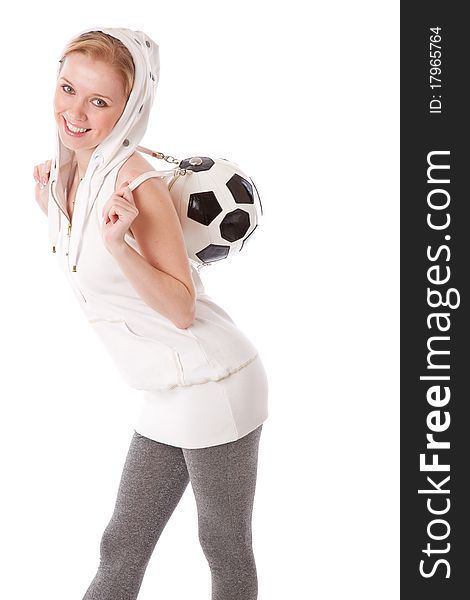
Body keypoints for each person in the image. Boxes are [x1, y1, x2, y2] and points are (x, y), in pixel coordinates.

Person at [33, 27, 269, 600]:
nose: (76, 113)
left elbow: (182, 308)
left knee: (223, 545)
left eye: (100, 101)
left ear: (130, 107)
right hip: (165, 387)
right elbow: (84, 271)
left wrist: (120, 247)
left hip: (214, 382)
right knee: (122, 545)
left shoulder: (138, 183)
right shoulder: (71, 173)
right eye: (68, 89)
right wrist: (50, 209)